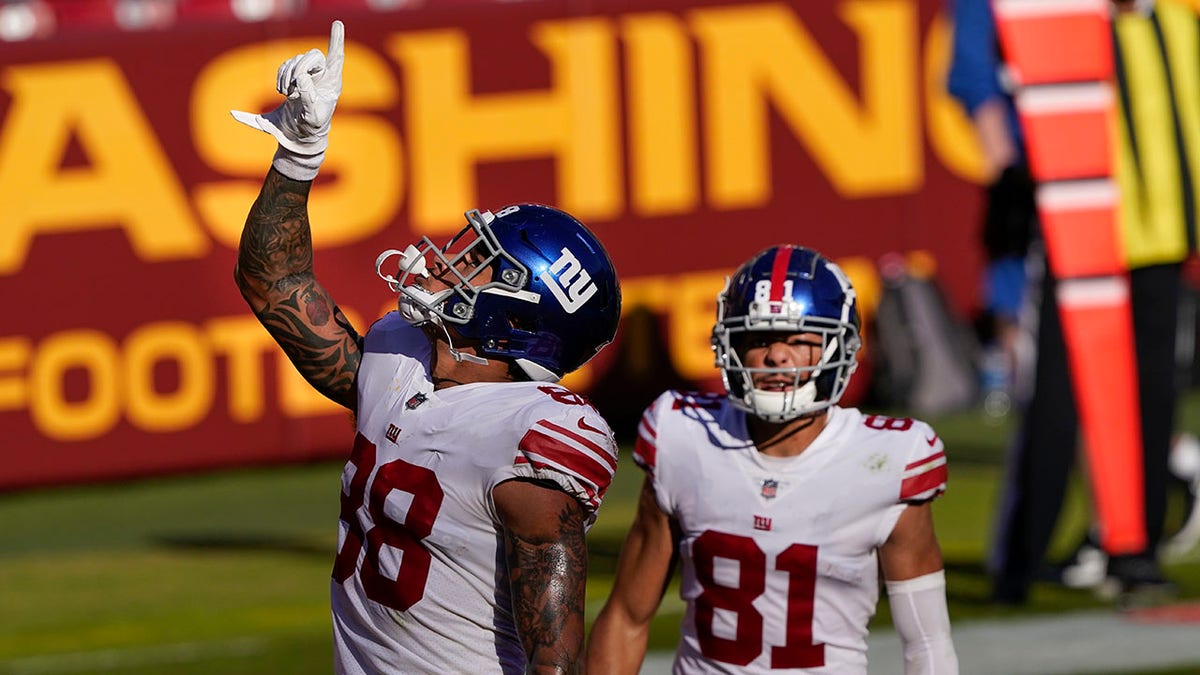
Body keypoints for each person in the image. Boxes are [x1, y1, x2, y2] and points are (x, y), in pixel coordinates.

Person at [231, 21, 623, 673]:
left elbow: (556, 662)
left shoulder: (537, 432)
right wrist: (299, 150)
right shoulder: (398, 356)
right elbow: (273, 279)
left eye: (481, 263)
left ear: (523, 315)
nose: (448, 260)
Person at [587, 246, 958, 674]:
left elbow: (927, 643)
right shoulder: (683, 437)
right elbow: (627, 617)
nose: (777, 356)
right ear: (730, 346)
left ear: (841, 348)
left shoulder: (890, 462)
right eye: (759, 339)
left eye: (799, 340)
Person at [947, 0, 1194, 605]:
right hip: (1070, 212)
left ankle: (1132, 545)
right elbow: (973, 73)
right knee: (1056, 390)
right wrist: (1009, 164)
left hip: (1158, 216)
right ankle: (1022, 559)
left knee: (1150, 385)